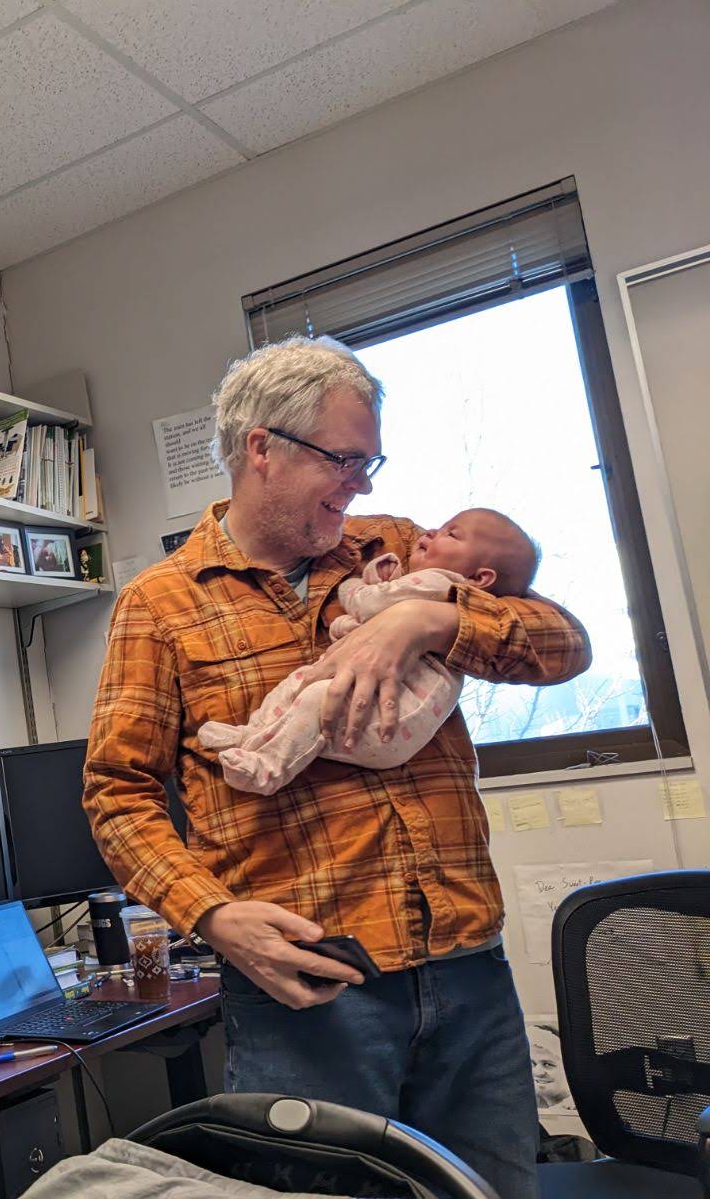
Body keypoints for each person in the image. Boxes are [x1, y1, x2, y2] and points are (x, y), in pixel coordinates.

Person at [83, 336, 591, 1199]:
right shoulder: (159, 605)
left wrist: (429, 623)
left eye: (370, 461)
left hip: (467, 968)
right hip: (309, 989)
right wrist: (212, 916)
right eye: (346, 460)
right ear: (263, 447)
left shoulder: (398, 550)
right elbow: (117, 794)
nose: (364, 486)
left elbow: (565, 643)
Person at [199, 507, 541, 794]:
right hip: (388, 720)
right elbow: (373, 623)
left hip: (393, 720)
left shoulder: (440, 580)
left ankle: (269, 766)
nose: (431, 531)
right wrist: (354, 621)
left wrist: (352, 587)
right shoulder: (432, 585)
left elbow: (369, 604)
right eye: (339, 459)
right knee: (305, 681)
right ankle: (254, 735)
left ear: (480, 578)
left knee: (315, 694)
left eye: (451, 534)